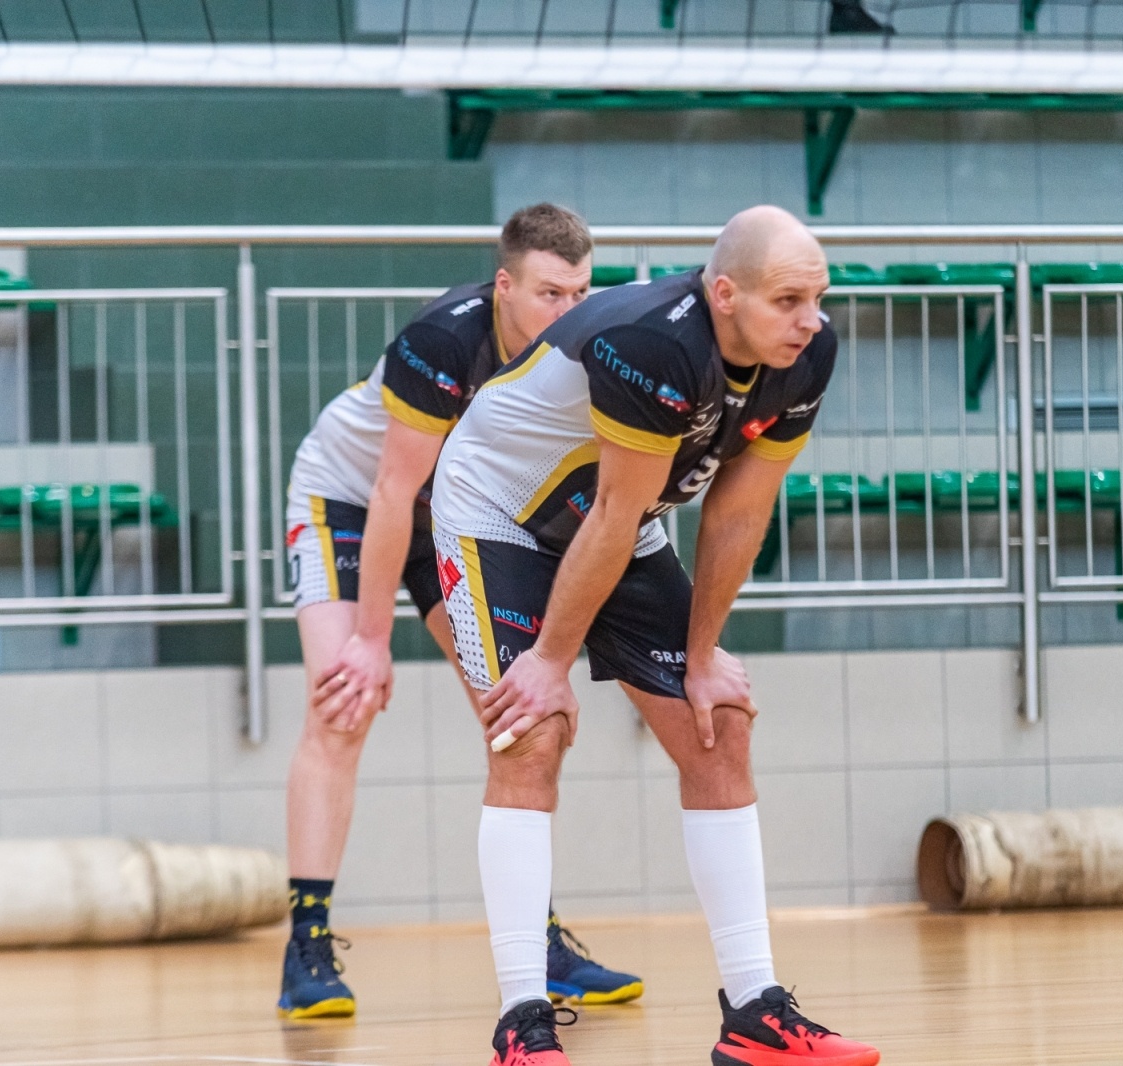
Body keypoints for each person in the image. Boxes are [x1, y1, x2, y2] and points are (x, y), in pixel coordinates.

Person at [430, 205, 881, 1066]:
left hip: (616, 520)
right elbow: (611, 510)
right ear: (725, 294)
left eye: (818, 299)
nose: (811, 320)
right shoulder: (656, 344)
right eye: (789, 300)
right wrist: (550, 663)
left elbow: (739, 511)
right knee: (530, 731)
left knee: (720, 726)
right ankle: (521, 1023)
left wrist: (703, 658)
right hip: (500, 514)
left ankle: (754, 1014)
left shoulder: (807, 355)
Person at [280, 204, 643, 1019]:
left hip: (461, 512)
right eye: (550, 293)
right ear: (504, 285)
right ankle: (306, 949)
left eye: (581, 292)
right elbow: (391, 489)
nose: (570, 310)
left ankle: (537, 942)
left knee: (520, 720)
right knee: (341, 706)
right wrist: (371, 640)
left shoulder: (590, 345)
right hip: (352, 499)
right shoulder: (444, 337)